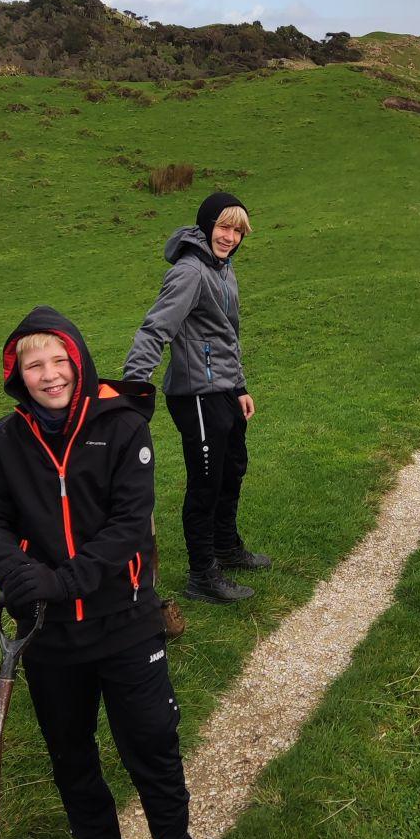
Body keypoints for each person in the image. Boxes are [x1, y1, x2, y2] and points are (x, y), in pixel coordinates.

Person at [0, 305, 244, 839]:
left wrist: (61, 581)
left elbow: (128, 527)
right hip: (48, 631)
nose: (49, 375)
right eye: (33, 365)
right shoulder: (7, 439)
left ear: (79, 361)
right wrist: (18, 577)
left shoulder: (121, 426)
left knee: (152, 740)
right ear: (17, 374)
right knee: (70, 748)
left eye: (58, 360)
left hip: (124, 619)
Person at [124, 191, 271, 605]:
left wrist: (239, 386)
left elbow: (227, 336)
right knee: (206, 483)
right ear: (207, 225)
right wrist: (134, 387)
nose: (230, 237)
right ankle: (202, 575)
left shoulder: (223, 269)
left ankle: (226, 546)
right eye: (224, 227)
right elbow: (155, 329)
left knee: (232, 470)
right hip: (196, 395)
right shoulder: (189, 272)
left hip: (223, 390)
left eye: (238, 231)